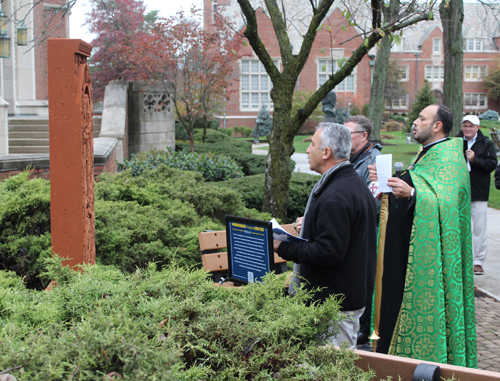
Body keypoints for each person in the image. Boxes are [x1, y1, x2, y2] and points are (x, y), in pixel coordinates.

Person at [368, 104, 477, 367]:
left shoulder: (450, 158)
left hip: (428, 262)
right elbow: (420, 186)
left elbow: (448, 206)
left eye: (421, 118)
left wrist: (414, 194)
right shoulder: (426, 153)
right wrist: (389, 183)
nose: (415, 122)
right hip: (404, 253)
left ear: (437, 126)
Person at [274, 122, 377, 349]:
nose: (308, 150)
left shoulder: (336, 195)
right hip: (343, 298)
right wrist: (309, 225)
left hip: (334, 305)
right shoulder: (350, 183)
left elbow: (328, 252)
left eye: (312, 144)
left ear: (326, 152)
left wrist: (280, 245)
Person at [344, 115, 382, 346]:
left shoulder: (372, 161)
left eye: (349, 134)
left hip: (367, 234)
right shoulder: (354, 158)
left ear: (364, 136)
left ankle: (364, 332)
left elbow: (374, 202)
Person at [457, 115, 497, 275]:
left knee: (479, 228)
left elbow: (492, 164)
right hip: (459, 191)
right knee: (458, 226)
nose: (467, 129)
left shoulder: (486, 143)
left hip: (478, 192)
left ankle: (478, 261)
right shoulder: (455, 142)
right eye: (465, 126)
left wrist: (475, 159)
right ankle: (458, 258)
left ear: (477, 128)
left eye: (471, 126)